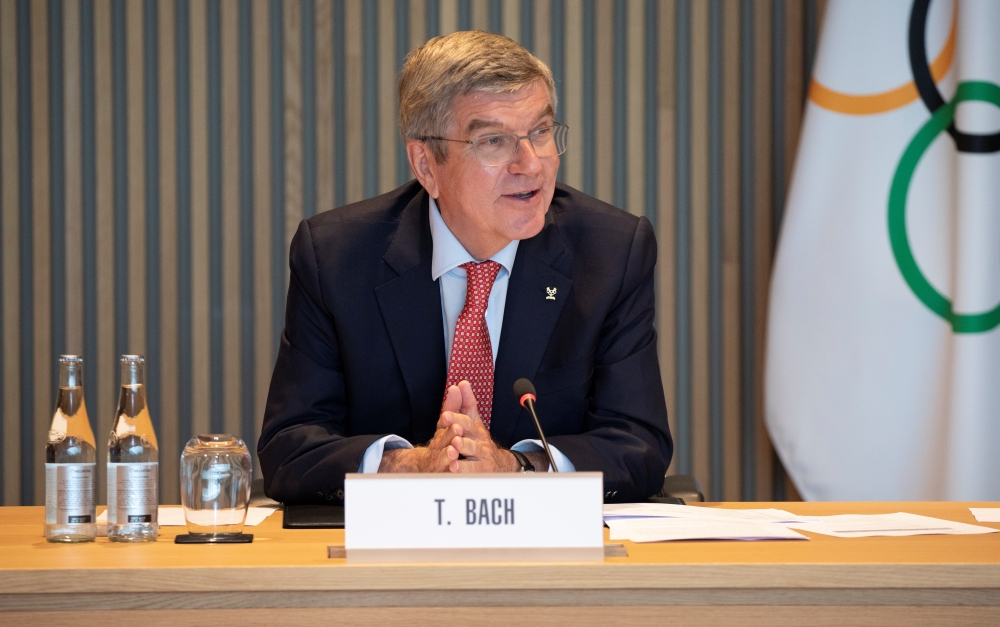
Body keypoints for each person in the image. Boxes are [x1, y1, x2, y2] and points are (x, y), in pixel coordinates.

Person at [258, 30, 671, 504]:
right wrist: (412, 465)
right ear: (426, 164)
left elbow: (638, 445)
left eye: (540, 132)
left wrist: (512, 466)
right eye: (494, 141)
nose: (531, 165)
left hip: (552, 557)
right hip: (386, 558)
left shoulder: (611, 251)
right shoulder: (336, 256)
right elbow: (290, 449)